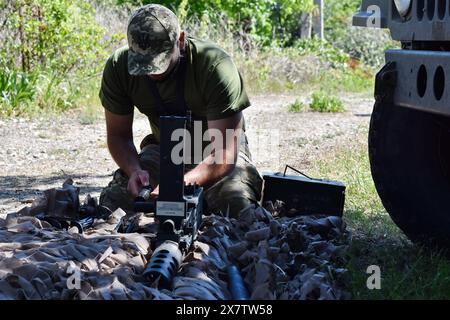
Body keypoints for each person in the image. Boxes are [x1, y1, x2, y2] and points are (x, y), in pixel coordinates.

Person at [98, 3, 262, 217]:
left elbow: (224, 153)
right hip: (164, 149)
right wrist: (134, 171)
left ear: (181, 41)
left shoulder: (215, 66)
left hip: (215, 151)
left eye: (160, 61)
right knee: (113, 203)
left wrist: (181, 184)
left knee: (237, 207)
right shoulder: (119, 68)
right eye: (143, 64)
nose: (152, 72)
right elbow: (118, 136)